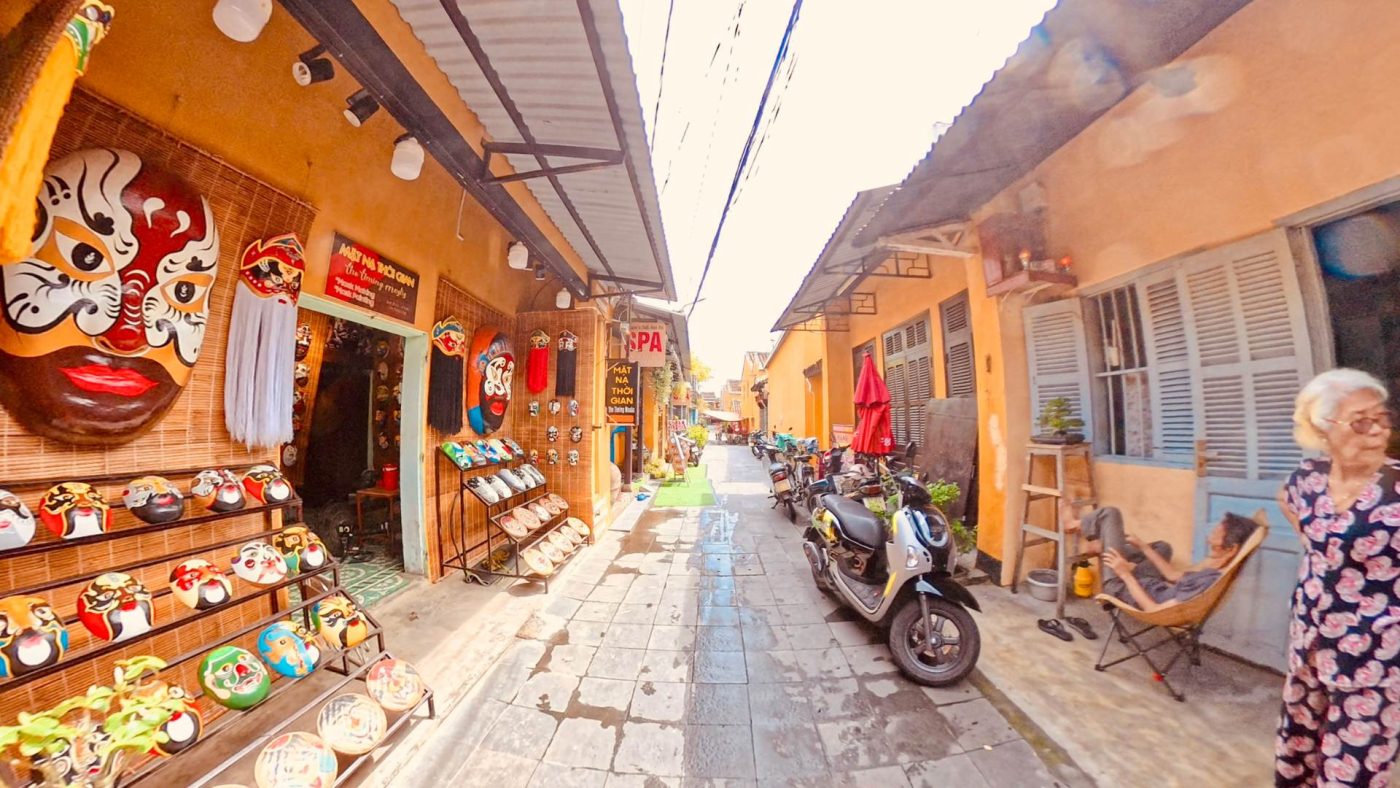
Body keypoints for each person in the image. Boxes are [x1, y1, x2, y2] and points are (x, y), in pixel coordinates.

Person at [1275, 368, 1400, 787]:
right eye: (1361, 421)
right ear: (1323, 428)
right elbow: (1293, 511)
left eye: (1382, 419)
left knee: (1352, 771)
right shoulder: (1306, 479)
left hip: (1376, 661)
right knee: (1299, 754)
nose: (1377, 431)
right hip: (1308, 646)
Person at [1060, 499, 1257, 612]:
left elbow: (1153, 610)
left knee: (1110, 513)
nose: (1212, 532)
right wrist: (1144, 547)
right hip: (1148, 582)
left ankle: (1074, 525)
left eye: (1217, 532)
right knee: (1162, 547)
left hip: (1119, 586)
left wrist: (1125, 574)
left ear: (1230, 549)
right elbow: (1172, 576)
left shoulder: (1206, 583)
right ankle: (1103, 546)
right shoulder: (1214, 572)